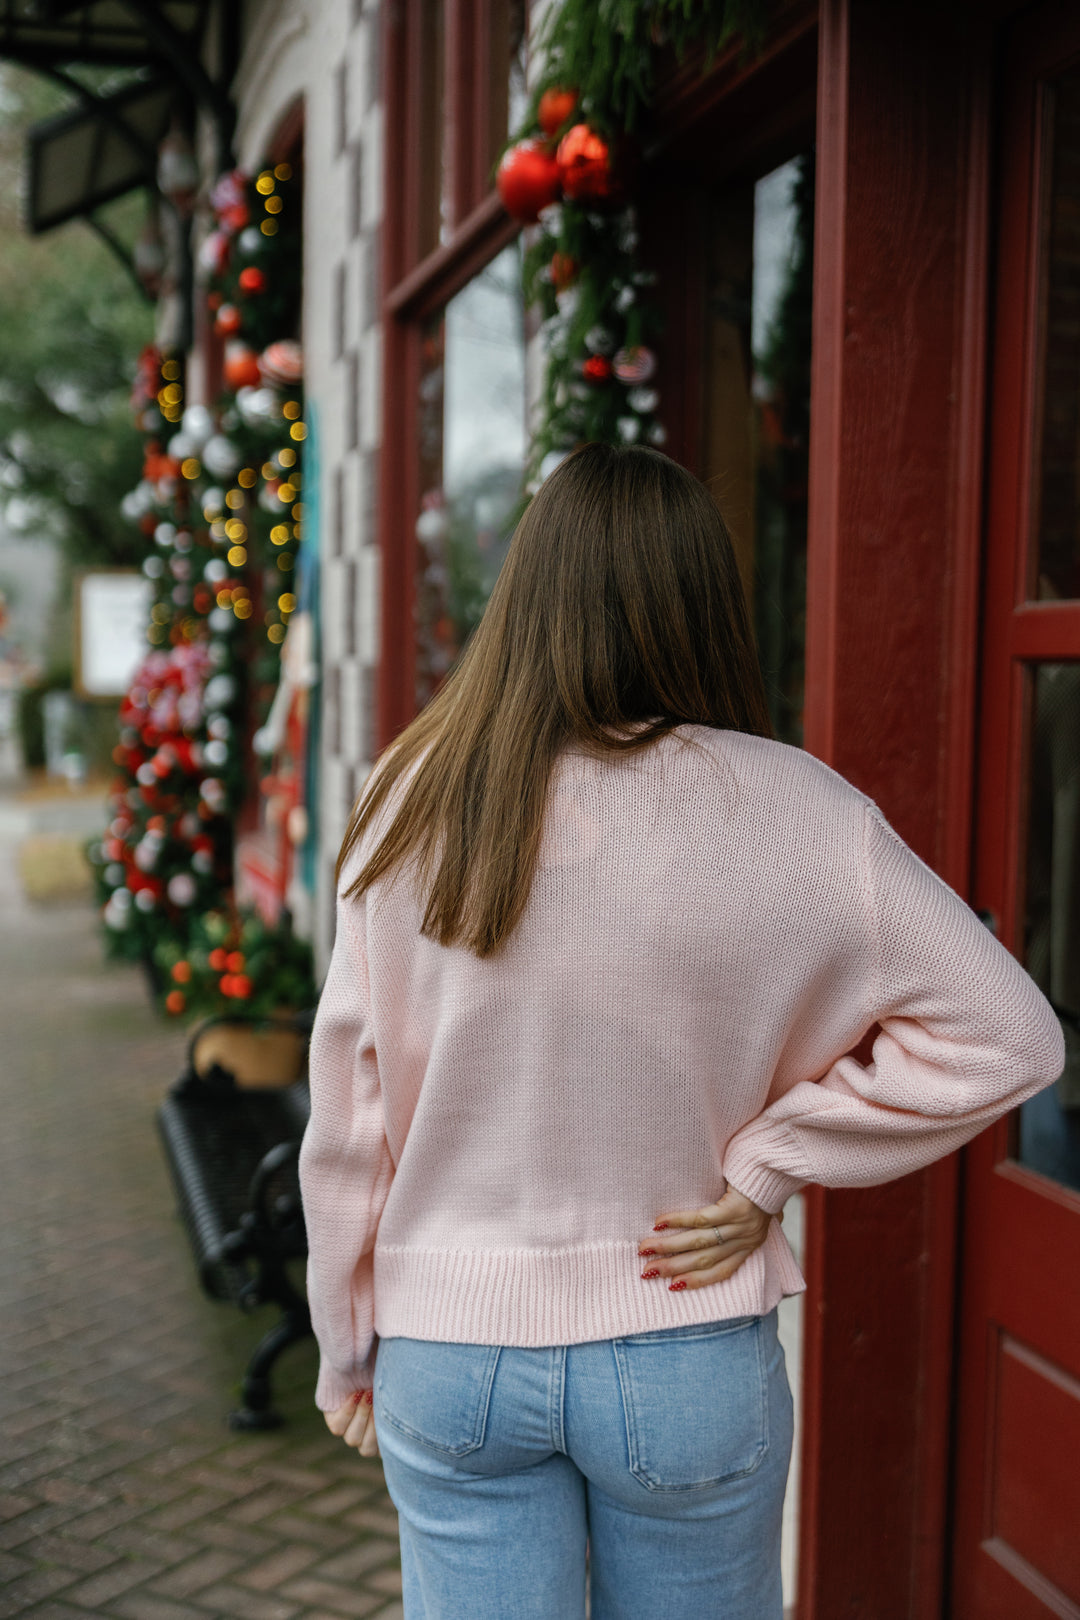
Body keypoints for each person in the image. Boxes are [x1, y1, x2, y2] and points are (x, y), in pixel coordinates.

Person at [299, 442, 1063, 1620]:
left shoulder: (412, 795)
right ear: (704, 602)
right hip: (684, 1343)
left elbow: (346, 1122)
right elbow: (1012, 1035)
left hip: (449, 1352)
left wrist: (345, 1343)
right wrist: (771, 1165)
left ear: (526, 597)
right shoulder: (798, 808)